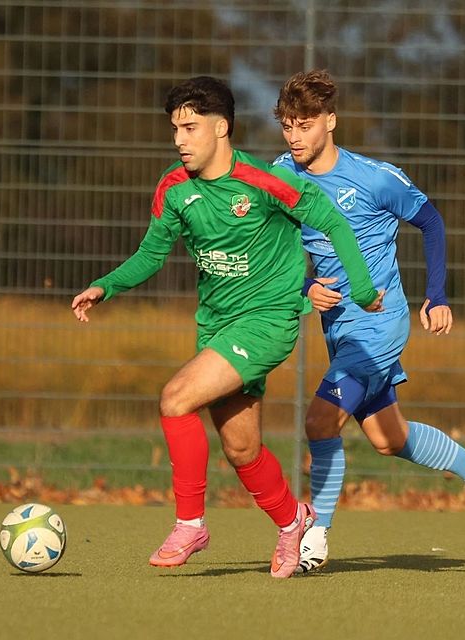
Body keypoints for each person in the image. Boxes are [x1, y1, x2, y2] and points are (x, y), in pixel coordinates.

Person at [70, 76, 383, 578]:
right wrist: (105, 286)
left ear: (221, 128)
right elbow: (151, 255)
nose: (179, 139)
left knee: (176, 398)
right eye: (175, 129)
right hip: (216, 326)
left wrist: (363, 291)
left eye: (190, 128)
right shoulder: (174, 188)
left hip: (267, 322)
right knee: (241, 448)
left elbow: (333, 221)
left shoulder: (265, 182)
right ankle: (293, 522)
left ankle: (190, 524)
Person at [272, 69, 465, 573]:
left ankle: (314, 536)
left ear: (330, 122)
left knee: (320, 421)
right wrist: (304, 286)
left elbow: (430, 220)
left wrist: (436, 295)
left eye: (305, 125)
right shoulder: (281, 174)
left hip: (378, 323)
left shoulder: (374, 177)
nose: (294, 136)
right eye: (288, 126)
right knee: (389, 439)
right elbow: (274, 245)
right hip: (338, 325)